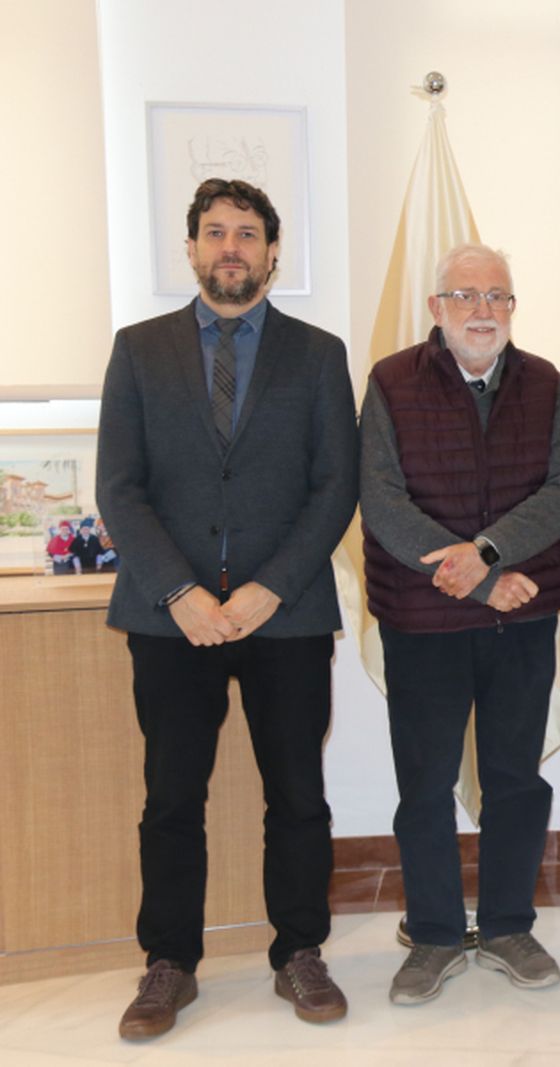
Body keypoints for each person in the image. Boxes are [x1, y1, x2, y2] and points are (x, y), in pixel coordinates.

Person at [97, 178, 358, 1039]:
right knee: (172, 796)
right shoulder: (138, 350)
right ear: (192, 249)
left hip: (283, 614)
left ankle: (300, 953)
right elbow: (120, 489)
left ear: (273, 252)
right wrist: (180, 592)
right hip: (170, 619)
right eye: (216, 232)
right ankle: (168, 962)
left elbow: (335, 486)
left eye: (248, 233)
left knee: (299, 795)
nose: (231, 247)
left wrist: (268, 585)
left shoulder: (318, 355)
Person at [361, 242, 560, 1005]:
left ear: (513, 307)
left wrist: (485, 557)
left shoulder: (547, 383)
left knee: (515, 779)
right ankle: (434, 934)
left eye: (498, 296)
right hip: (422, 618)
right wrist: (475, 579)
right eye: (465, 295)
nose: (482, 309)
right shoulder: (390, 381)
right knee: (423, 784)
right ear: (436, 308)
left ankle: (510, 924)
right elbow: (383, 502)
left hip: (521, 618)